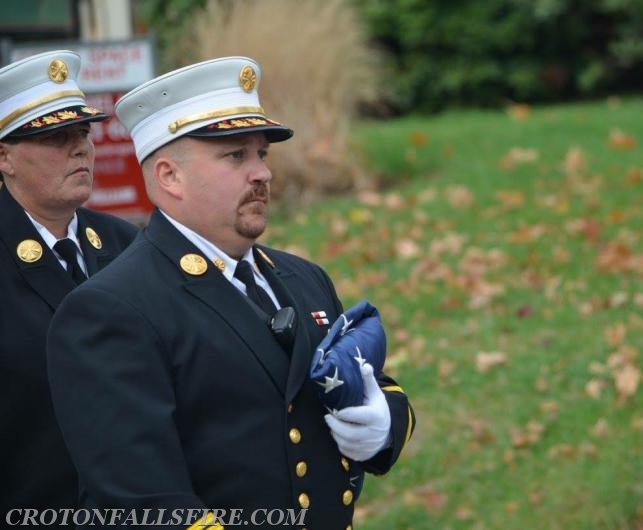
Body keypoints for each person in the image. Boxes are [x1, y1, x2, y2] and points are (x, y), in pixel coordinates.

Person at [47, 56, 414, 529]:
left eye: (262, 154)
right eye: (235, 156)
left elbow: (365, 383)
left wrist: (384, 422)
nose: (261, 173)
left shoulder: (304, 279)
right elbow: (145, 503)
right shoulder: (113, 310)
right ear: (168, 177)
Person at [0, 50, 138, 523]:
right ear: (5, 158)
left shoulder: (126, 244)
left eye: (84, 133)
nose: (81, 148)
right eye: (57, 137)